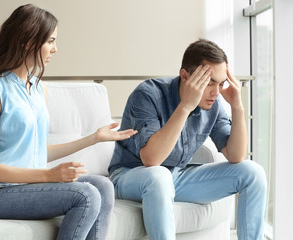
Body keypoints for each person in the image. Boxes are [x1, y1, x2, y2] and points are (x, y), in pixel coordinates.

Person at [0, 4, 137, 240]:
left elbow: (36, 152)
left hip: (27, 186)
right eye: (50, 41)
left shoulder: (38, 88)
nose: (55, 49)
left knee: (103, 187)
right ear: (27, 41)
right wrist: (49, 176)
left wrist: (95, 138)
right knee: (86, 195)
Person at [108, 39, 267, 240]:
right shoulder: (148, 94)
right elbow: (152, 160)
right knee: (159, 176)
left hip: (176, 176)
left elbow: (236, 155)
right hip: (130, 176)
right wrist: (185, 107)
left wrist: (237, 107)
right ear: (185, 76)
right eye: (209, 82)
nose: (216, 92)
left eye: (220, 83)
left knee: (253, 173)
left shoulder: (213, 102)